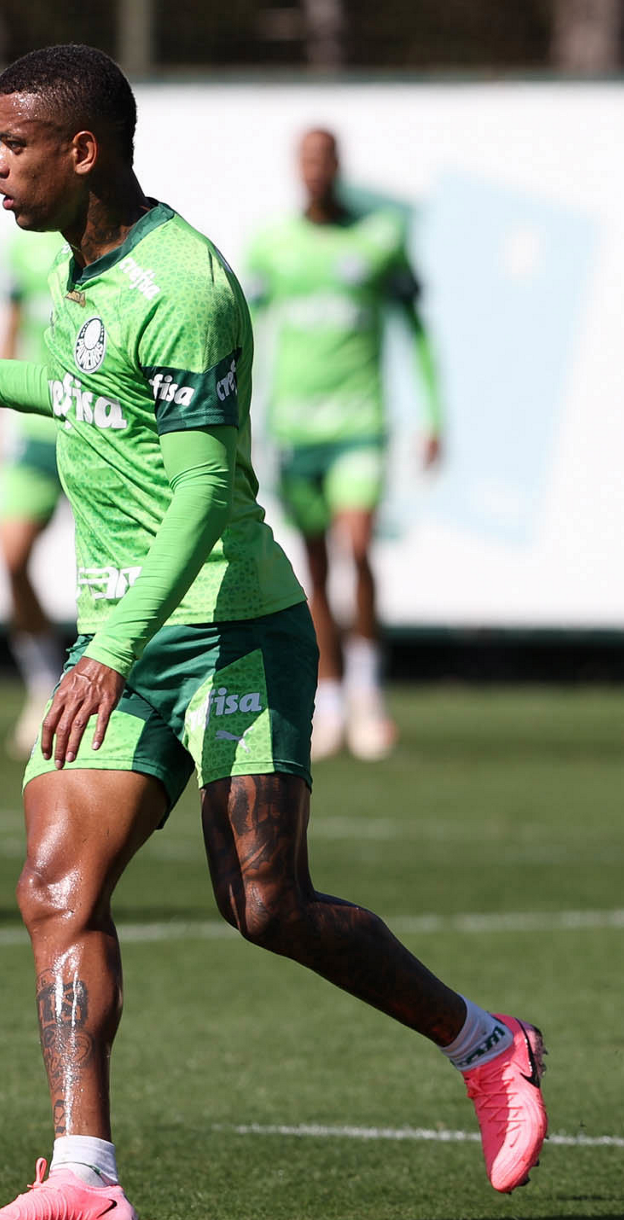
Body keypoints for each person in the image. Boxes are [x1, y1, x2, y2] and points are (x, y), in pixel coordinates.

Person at [0, 44, 547, 1220]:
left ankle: (485, 1044)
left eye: (13, 145)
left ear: (82, 150)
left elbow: (200, 487)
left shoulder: (182, 282)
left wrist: (109, 647)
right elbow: (94, 389)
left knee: (263, 904)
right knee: (53, 886)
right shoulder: (82, 265)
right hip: (123, 638)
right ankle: (83, 1174)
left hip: (230, 629)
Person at [246, 128, 443, 761]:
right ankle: (328, 698)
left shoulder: (380, 239)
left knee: (357, 548)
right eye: (305, 159)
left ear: (338, 165)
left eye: (324, 158)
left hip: (360, 426)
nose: (315, 170)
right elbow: (248, 331)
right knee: (315, 569)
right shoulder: (272, 245)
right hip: (295, 431)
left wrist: (434, 413)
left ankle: (367, 690)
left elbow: (416, 328)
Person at [0, 230, 68, 758]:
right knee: (11, 555)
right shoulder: (25, 250)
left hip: (103, 433)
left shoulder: (108, 234)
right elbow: (10, 328)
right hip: (36, 434)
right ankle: (44, 683)